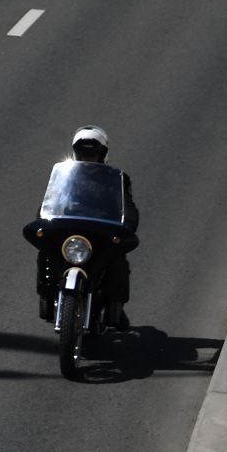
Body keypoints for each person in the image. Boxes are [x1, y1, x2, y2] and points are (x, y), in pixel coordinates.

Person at [32, 128, 140, 327]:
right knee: (46, 251)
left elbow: (127, 205)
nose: (89, 157)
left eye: (93, 153)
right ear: (76, 153)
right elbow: (51, 200)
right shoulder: (66, 175)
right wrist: (44, 217)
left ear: (103, 154)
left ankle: (115, 305)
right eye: (84, 153)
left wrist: (127, 224)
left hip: (100, 230)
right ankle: (46, 296)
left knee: (117, 260)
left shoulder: (118, 179)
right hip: (69, 227)